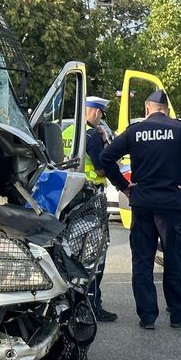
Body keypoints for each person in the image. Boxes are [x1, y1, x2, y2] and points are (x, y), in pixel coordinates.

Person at [100, 90, 181, 329]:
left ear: (146, 109)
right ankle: (179, 316)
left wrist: (123, 186)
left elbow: (106, 157)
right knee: (175, 258)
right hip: (171, 204)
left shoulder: (134, 131)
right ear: (167, 110)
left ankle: (147, 317)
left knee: (142, 260)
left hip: (141, 202)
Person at [64, 96, 117, 321]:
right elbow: (102, 169)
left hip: (70, 198)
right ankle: (93, 305)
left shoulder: (67, 131)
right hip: (91, 199)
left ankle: (70, 303)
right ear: (95, 112)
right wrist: (108, 145)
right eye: (101, 114)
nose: (101, 119)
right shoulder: (93, 136)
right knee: (96, 254)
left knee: (71, 252)